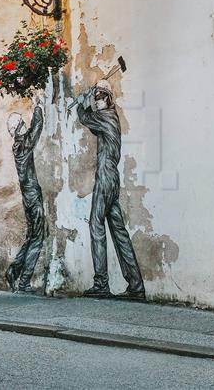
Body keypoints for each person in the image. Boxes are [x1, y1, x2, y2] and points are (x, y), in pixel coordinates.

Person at [75, 80, 145, 300]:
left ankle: (101, 284)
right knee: (119, 232)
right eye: (95, 97)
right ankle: (136, 286)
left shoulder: (106, 118)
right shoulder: (109, 119)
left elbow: (85, 118)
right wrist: (86, 101)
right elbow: (92, 124)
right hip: (111, 180)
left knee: (96, 224)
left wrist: (81, 103)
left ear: (108, 98)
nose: (96, 100)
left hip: (106, 179)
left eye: (99, 96)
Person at [4, 97, 46, 294]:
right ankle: (24, 282)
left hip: (26, 198)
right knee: (38, 238)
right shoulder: (25, 145)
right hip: (33, 199)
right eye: (22, 123)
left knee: (31, 237)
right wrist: (38, 107)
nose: (25, 125)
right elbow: (36, 129)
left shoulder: (17, 146)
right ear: (19, 127)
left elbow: (30, 133)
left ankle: (13, 272)